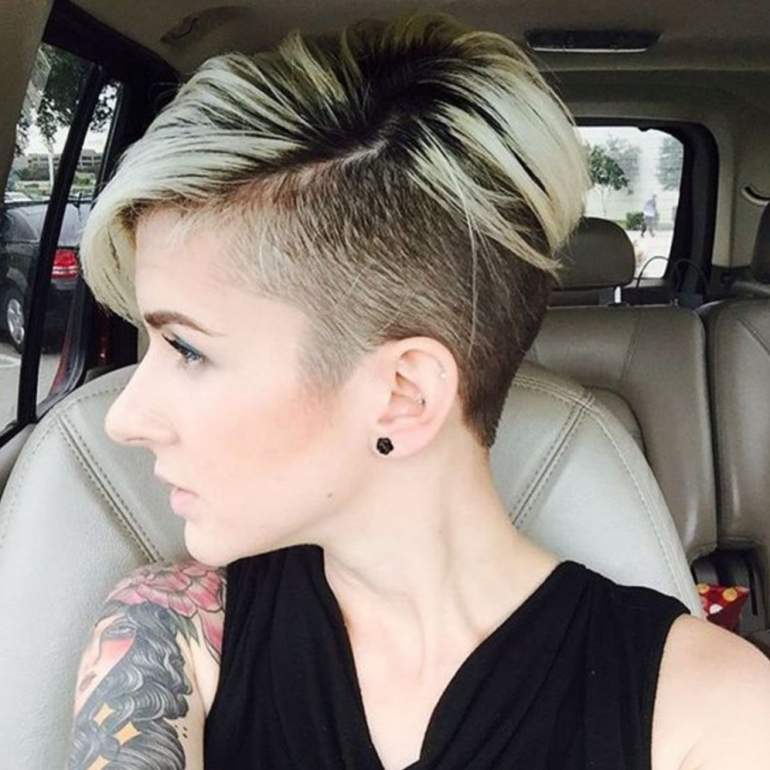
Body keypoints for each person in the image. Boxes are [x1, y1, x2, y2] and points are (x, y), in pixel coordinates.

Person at [67, 11, 770, 770]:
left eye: (188, 349)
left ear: (404, 393)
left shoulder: (716, 710)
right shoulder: (165, 633)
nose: (124, 419)